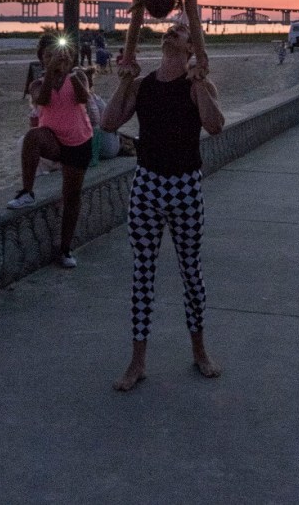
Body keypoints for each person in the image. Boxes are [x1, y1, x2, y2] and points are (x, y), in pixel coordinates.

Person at [102, 21, 224, 391]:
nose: (172, 31)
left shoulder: (197, 87)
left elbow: (215, 126)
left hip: (185, 186)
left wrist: (198, 80)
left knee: (191, 272)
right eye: (170, 29)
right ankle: (137, 361)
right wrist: (125, 79)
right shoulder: (143, 87)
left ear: (191, 48)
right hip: (147, 185)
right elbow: (107, 122)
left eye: (182, 32)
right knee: (142, 275)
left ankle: (200, 352)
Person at [7, 35, 93, 268]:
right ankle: (27, 191)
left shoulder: (78, 76)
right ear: (42, 60)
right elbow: (42, 100)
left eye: (57, 54)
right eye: (48, 56)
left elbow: (83, 98)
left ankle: (65, 249)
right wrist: (51, 74)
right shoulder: (37, 84)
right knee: (32, 137)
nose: (54, 59)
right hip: (53, 141)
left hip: (78, 143)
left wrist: (68, 74)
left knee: (72, 196)